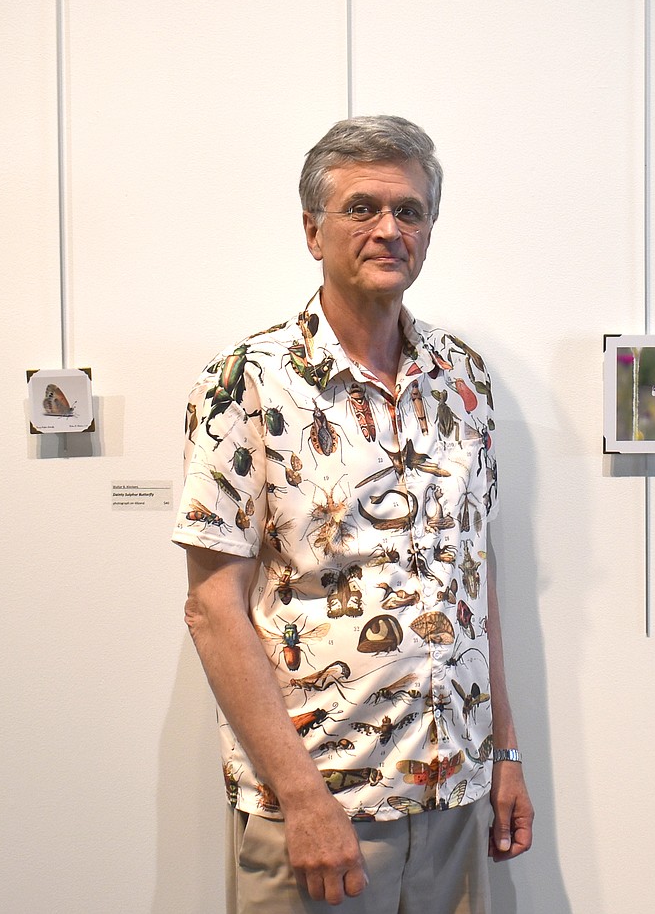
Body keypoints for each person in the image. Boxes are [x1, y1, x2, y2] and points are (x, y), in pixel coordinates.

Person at [174, 115, 533, 912]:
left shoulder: (462, 376)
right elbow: (211, 609)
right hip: (324, 807)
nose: (389, 229)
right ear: (312, 229)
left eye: (409, 211)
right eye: (361, 208)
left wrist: (505, 749)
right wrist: (304, 800)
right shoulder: (247, 382)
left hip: (454, 796)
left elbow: (476, 580)